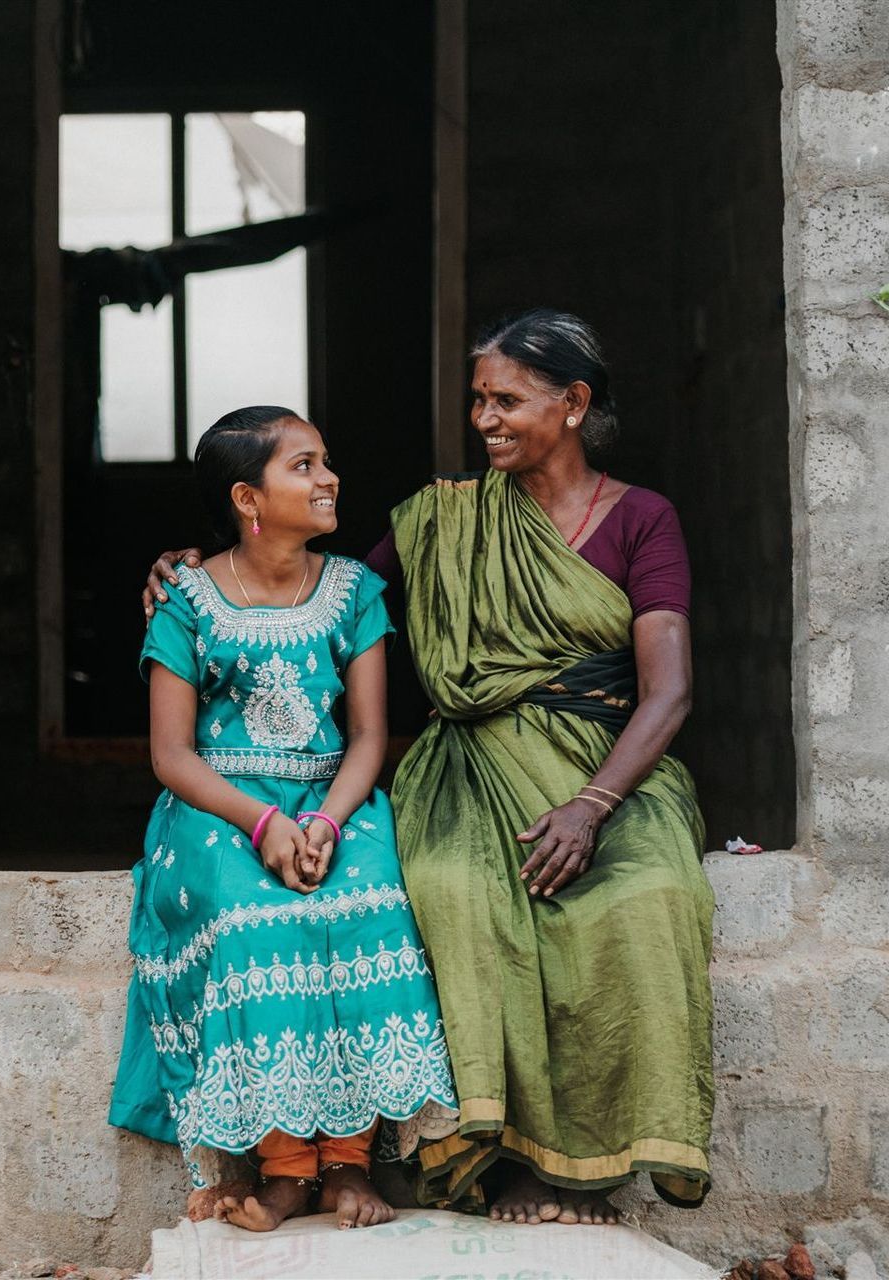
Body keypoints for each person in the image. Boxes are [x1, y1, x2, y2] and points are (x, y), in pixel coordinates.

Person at [143, 309, 714, 1227]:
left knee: (651, 895)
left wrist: (593, 806)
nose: (484, 419)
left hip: (606, 766)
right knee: (450, 887)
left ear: (573, 404)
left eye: (507, 401)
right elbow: (311, 577)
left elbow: (670, 690)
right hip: (471, 768)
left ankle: (587, 1171)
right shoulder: (444, 519)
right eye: (479, 400)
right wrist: (186, 567)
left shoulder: (644, 519)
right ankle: (502, 1163)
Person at [111, 406, 457, 1233]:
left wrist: (328, 825)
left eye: (324, 460)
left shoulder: (355, 591)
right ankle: (287, 1170)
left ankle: (348, 1166)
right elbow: (171, 754)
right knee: (252, 921)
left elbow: (369, 736)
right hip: (219, 808)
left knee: (374, 909)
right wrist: (262, 824)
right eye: (303, 465)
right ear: (247, 498)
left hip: (334, 801)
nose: (328, 477)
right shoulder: (186, 599)